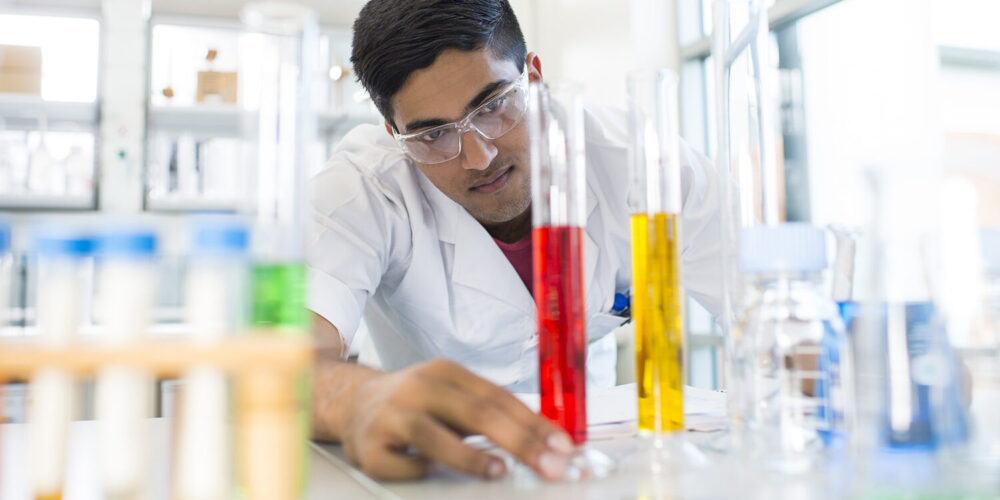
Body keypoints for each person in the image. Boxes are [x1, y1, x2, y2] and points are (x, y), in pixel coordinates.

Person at [308, 0, 724, 482]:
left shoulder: (644, 164)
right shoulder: (361, 186)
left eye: (492, 106)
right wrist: (356, 397)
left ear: (535, 78)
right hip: (435, 471)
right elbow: (279, 360)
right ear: (392, 132)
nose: (479, 157)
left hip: (597, 460)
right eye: (433, 136)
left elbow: (764, 308)